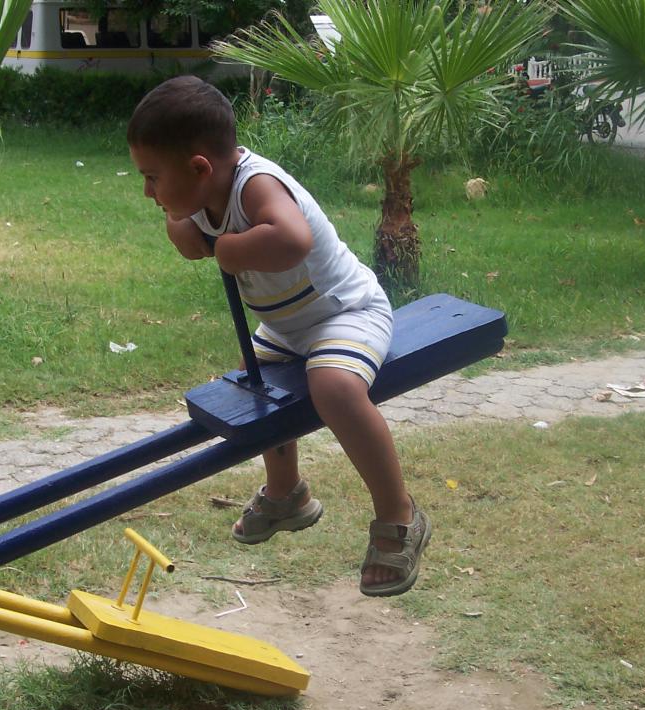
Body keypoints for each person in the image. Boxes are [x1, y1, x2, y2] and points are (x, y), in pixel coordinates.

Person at [126, 75, 430, 597]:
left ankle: (398, 514)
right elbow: (186, 237)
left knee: (333, 388)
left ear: (200, 167)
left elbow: (291, 239)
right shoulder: (204, 193)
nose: (148, 191)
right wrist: (185, 222)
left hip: (345, 313)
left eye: (153, 177)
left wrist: (230, 249)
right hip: (289, 327)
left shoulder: (255, 184)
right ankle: (287, 493)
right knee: (254, 387)